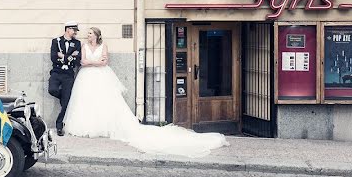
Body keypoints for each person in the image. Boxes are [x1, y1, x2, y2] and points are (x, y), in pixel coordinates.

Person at [63, 27, 228, 158]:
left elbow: (105, 61)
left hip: (102, 77)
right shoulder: (84, 46)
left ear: (97, 35)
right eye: (88, 34)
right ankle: (90, 126)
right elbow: (83, 62)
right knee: (88, 101)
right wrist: (95, 62)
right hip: (86, 78)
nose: (88, 35)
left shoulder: (103, 46)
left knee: (106, 102)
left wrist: (94, 63)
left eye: (90, 33)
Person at [48, 21, 82, 136]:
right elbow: (53, 57)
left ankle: (59, 125)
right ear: (68, 29)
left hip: (68, 74)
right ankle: (64, 96)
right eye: (74, 30)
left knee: (66, 102)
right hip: (56, 72)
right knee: (52, 90)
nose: (75, 33)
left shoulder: (77, 43)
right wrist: (70, 57)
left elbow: (77, 61)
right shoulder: (56, 41)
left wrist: (63, 56)